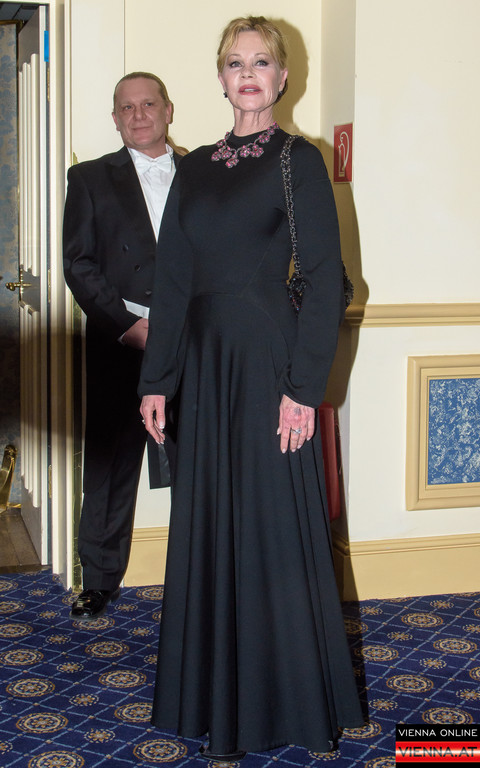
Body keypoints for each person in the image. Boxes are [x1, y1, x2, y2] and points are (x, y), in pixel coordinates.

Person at [139, 17, 363, 761]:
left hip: (270, 367)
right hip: (205, 371)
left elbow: (326, 280)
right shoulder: (196, 166)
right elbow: (173, 282)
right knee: (212, 527)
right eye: (235, 63)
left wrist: (303, 388)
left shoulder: (299, 160)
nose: (247, 73)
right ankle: (217, 708)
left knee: (273, 531)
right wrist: (157, 379)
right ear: (220, 77)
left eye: (261, 62)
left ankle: (299, 709)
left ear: (282, 77)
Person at [63, 72, 184, 620]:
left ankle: (199, 573)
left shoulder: (203, 172)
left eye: (148, 104)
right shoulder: (89, 177)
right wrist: (125, 325)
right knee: (110, 465)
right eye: (126, 107)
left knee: (196, 458)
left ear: (168, 110)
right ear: (115, 118)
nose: (138, 115)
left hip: (192, 341)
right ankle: (99, 579)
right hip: (122, 339)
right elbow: (78, 263)